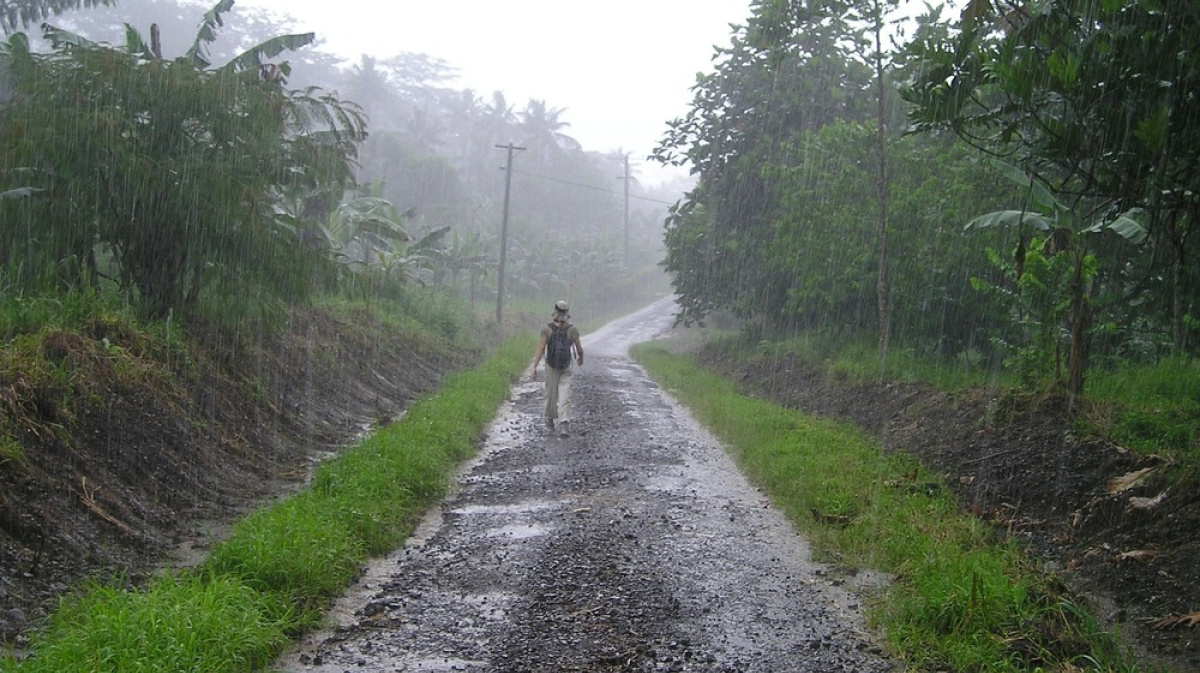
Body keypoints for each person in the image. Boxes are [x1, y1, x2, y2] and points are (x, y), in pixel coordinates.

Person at [531, 300, 584, 436]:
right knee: (565, 395)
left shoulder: (546, 329)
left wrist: (534, 366)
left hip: (551, 366)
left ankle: (549, 420)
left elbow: (541, 348)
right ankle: (564, 424)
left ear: (555, 312)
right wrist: (580, 357)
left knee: (551, 394)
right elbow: (579, 348)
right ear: (567, 314)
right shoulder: (572, 329)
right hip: (566, 366)